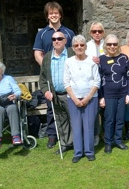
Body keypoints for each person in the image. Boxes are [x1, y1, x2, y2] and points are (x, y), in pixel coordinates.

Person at [33, 1, 75, 150]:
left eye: (56, 12)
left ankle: (73, 137)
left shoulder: (69, 33)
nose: (54, 15)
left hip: (67, 77)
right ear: (47, 16)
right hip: (51, 75)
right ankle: (52, 135)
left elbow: (75, 53)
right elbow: (38, 53)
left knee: (70, 109)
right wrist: (47, 67)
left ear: (60, 14)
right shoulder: (42, 33)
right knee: (52, 109)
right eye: (51, 13)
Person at [64, 35, 100, 163]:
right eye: (76, 45)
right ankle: (78, 152)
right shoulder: (68, 62)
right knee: (76, 126)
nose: (79, 47)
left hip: (91, 99)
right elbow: (66, 82)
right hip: (73, 99)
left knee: (89, 126)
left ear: (85, 46)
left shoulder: (92, 61)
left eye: (82, 45)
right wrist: (75, 99)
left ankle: (89, 151)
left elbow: (97, 81)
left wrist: (87, 98)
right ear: (73, 48)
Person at [39, 31, 74, 155]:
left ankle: (79, 144)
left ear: (65, 40)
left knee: (74, 120)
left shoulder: (72, 53)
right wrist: (46, 91)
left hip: (71, 95)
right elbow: (43, 79)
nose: (56, 41)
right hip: (55, 95)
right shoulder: (47, 57)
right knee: (61, 121)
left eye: (59, 38)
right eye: (54, 39)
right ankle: (66, 144)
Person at [98, 34, 129, 154]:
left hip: (122, 93)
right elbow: (98, 79)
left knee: (120, 119)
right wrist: (101, 97)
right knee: (109, 119)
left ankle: (118, 140)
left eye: (115, 44)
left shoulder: (124, 58)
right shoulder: (101, 59)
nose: (112, 46)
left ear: (118, 45)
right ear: (105, 46)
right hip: (108, 95)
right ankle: (108, 142)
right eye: (109, 44)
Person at [85, 22, 106, 147]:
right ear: (90, 33)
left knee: (106, 109)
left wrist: (102, 60)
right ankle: (95, 134)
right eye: (94, 31)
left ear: (103, 32)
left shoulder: (108, 43)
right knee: (94, 109)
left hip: (106, 80)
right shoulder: (87, 46)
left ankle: (106, 133)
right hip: (92, 82)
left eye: (99, 31)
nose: (97, 33)